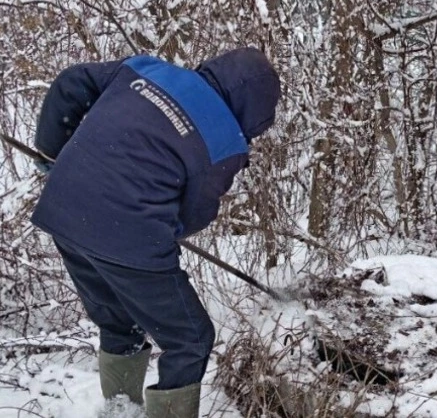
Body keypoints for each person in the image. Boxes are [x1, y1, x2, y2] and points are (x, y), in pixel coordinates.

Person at [31, 48, 281, 417]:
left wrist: (52, 152)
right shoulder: (225, 141)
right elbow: (194, 214)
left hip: (64, 214)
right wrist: (146, 223)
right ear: (254, 111)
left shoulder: (145, 69)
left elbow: (73, 82)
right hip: (130, 239)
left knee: (119, 323)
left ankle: (120, 410)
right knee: (191, 339)